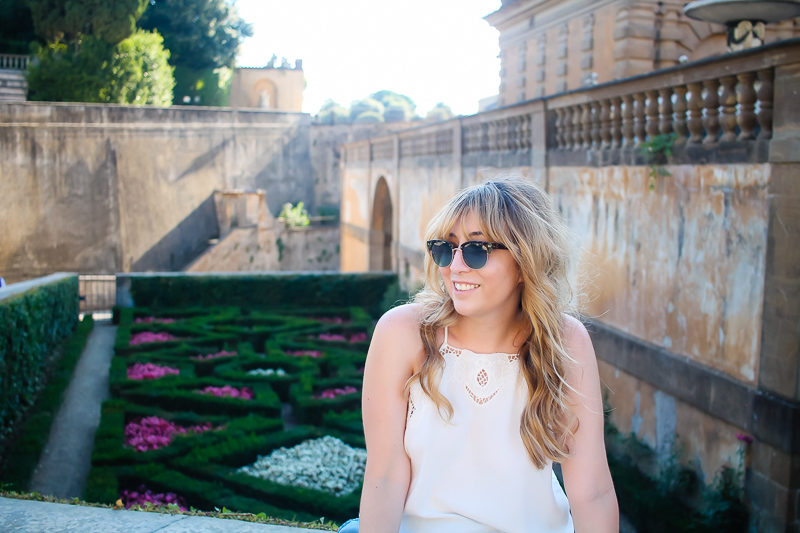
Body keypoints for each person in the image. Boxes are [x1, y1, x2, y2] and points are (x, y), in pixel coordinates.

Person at [341, 177, 618, 533]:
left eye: (476, 250)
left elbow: (592, 491)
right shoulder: (403, 333)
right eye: (445, 248)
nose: (455, 267)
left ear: (524, 260)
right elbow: (385, 474)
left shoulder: (565, 341)